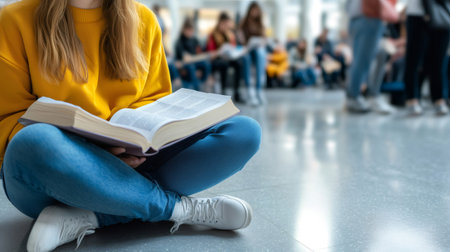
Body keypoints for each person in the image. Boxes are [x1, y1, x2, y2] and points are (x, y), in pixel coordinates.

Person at [0, 1, 262, 251]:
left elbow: (156, 104)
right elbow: (9, 120)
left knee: (244, 133)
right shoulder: (13, 20)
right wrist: (96, 154)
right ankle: (176, 209)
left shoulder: (144, 20)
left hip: (132, 161)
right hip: (55, 172)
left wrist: (133, 143)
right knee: (34, 142)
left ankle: (93, 215)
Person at [404, 0, 450, 115]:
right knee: (413, 60)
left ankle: (439, 100)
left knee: (438, 61)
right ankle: (412, 100)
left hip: (443, 13)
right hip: (418, 15)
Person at [345, 0, 390, 113]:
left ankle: (361, 96)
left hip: (356, 18)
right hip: (369, 17)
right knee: (363, 62)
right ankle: (356, 96)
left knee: (363, 60)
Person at [206, 12, 247, 103]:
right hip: (216, 59)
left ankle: (237, 92)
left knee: (239, 63)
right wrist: (220, 52)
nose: (227, 26)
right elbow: (210, 52)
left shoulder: (230, 34)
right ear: (220, 23)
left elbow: (233, 47)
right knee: (224, 64)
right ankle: (223, 92)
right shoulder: (212, 35)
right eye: (225, 23)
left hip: (228, 58)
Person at [239, 1, 268, 106]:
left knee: (260, 53)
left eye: (257, 10)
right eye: (253, 10)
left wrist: (261, 42)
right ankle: (249, 90)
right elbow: (241, 39)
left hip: (257, 50)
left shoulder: (261, 24)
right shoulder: (243, 23)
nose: (255, 12)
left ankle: (259, 89)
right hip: (246, 50)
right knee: (246, 58)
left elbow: (264, 39)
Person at [175, 18, 213, 91]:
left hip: (194, 61)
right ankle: (197, 89)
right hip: (184, 64)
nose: (190, 33)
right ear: (184, 30)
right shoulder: (179, 42)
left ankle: (203, 84)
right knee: (191, 67)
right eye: (189, 30)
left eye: (192, 31)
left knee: (206, 64)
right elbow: (184, 58)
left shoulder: (194, 40)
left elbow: (200, 52)